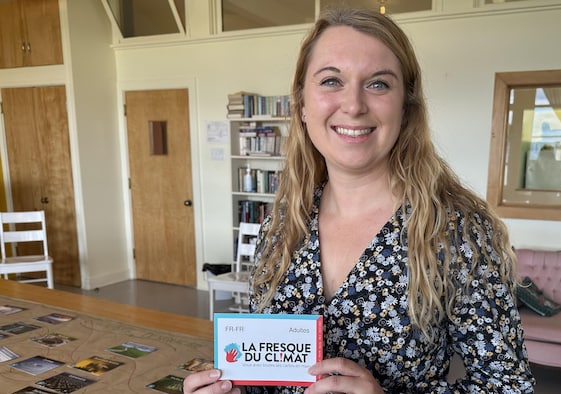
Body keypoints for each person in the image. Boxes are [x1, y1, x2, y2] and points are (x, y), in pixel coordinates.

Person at [185, 7, 534, 394]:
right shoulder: (281, 224)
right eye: (331, 80)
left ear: (406, 107)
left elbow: (509, 386)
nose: (353, 105)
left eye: (378, 84)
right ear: (302, 105)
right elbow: (266, 371)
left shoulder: (458, 231)